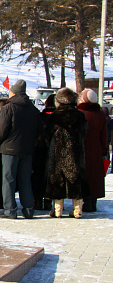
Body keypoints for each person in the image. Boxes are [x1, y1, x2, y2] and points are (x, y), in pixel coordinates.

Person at [0, 80, 42, 219]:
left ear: (14, 92)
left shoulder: (8, 108)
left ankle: (10, 210)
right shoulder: (33, 109)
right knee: (25, 180)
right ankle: (28, 209)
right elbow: (39, 129)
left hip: (9, 149)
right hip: (27, 149)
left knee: (8, 180)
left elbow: (1, 131)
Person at [45, 88, 89, 218]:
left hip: (57, 152)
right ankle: (78, 210)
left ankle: (57, 210)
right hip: (76, 152)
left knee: (57, 179)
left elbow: (47, 135)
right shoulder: (80, 116)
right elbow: (84, 133)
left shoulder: (54, 116)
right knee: (76, 178)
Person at [77, 89, 107, 213]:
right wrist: (104, 150)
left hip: (82, 149)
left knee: (84, 175)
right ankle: (93, 202)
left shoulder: (80, 113)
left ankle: (85, 201)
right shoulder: (100, 114)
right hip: (97, 149)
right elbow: (104, 135)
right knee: (95, 176)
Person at [32, 94, 56, 211]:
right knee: (52, 176)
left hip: (38, 150)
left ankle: (37, 200)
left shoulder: (39, 116)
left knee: (38, 176)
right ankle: (48, 201)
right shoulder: (58, 117)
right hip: (54, 151)